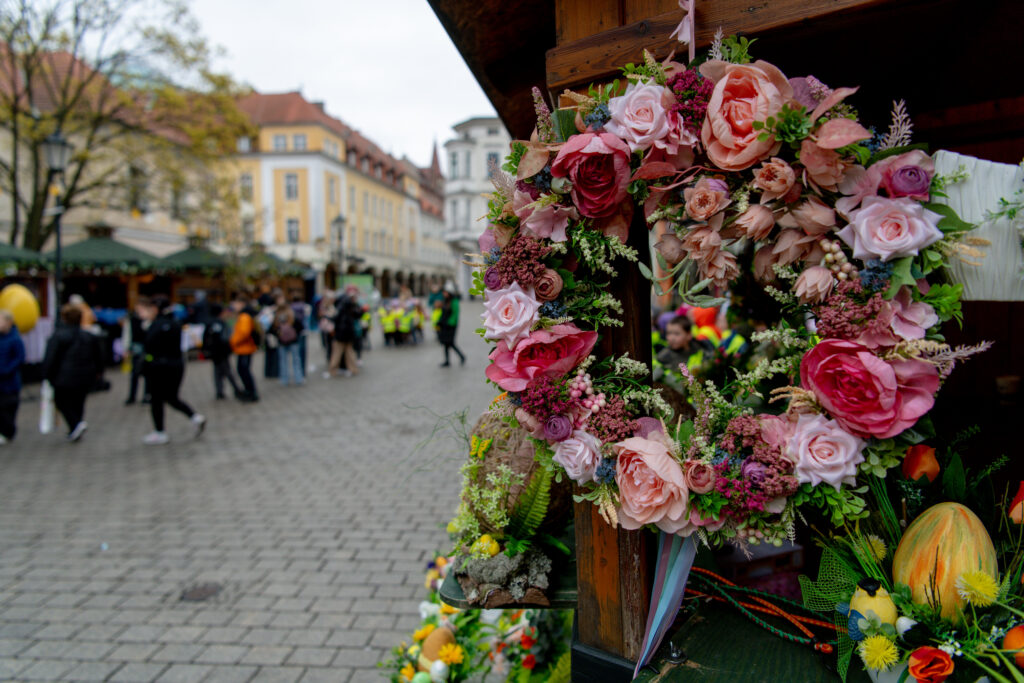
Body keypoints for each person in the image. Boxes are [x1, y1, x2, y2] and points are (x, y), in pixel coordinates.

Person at [137, 297, 206, 445]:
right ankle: (195, 417)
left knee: (157, 399)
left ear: (155, 309)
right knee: (171, 397)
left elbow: (148, 346)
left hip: (158, 366)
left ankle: (160, 432)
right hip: (176, 364)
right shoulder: (176, 323)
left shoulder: (155, 325)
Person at [42, 304, 103, 442]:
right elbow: (99, 357)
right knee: (78, 401)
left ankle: (76, 425)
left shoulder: (58, 336)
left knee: (62, 401)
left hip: (64, 377)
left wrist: (47, 375)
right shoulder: (89, 336)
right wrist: (98, 372)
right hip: (85, 375)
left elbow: (51, 358)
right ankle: (76, 427)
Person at [653, 316, 714, 384]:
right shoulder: (662, 358)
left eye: (677, 334)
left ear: (689, 335)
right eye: (668, 333)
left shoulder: (704, 352)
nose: (671, 338)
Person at [203, 304, 241, 400]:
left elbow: (205, 338)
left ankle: (219, 391)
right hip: (222, 352)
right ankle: (236, 389)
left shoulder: (209, 323)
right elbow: (225, 338)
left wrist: (206, 350)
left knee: (217, 371)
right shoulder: (221, 323)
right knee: (227, 371)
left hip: (214, 352)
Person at [0, 310, 25, 444]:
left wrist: (7, 370)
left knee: (8, 406)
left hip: (10, 380)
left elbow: (19, 358)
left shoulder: (15, 339)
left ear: (9, 322)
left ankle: (8, 431)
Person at [229, 294, 259, 402]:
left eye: (236, 303)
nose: (234, 306)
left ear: (241, 304)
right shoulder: (243, 315)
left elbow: (243, 333)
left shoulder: (245, 316)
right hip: (243, 348)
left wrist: (232, 342)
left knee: (244, 371)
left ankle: (251, 392)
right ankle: (249, 391)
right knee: (243, 370)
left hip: (245, 348)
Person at [327, 291, 360, 378]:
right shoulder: (350, 306)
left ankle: (333, 370)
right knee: (349, 353)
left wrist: (329, 317)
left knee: (337, 353)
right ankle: (353, 369)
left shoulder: (340, 307)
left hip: (341, 334)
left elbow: (335, 319)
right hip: (349, 334)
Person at [272, 302, 303, 386]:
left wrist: (279, 335)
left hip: (282, 342)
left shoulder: (277, 317)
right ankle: (298, 378)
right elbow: (300, 327)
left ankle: (284, 380)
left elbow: (272, 329)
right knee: (296, 360)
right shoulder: (292, 316)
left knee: (283, 362)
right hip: (294, 341)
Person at [125, 308, 149, 405]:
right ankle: (132, 396)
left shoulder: (148, 320)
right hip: (136, 349)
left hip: (146, 349)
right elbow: (128, 334)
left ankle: (146, 396)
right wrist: (126, 348)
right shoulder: (132, 320)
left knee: (147, 374)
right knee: (134, 373)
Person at [438, 288, 465, 367]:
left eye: (445, 292)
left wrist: (450, 323)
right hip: (444, 325)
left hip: (450, 326)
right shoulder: (445, 301)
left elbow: (455, 314)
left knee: (450, 343)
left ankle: (462, 356)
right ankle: (447, 361)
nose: (444, 294)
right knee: (446, 344)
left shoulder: (454, 301)